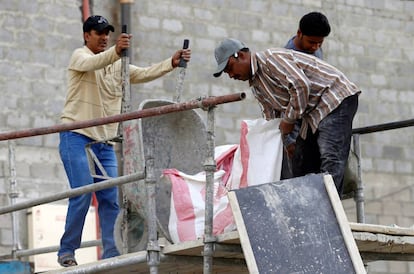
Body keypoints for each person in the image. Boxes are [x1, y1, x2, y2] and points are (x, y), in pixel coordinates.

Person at [57, 15, 191, 267]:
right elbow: (95, 62)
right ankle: (67, 251)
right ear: (86, 36)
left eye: (107, 33)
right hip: (75, 135)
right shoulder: (80, 56)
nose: (104, 37)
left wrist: (170, 63)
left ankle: (111, 254)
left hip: (104, 141)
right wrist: (117, 52)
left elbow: (143, 73)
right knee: (83, 192)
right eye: (98, 33)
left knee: (110, 198)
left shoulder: (117, 64)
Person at [213, 38, 360, 196]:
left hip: (334, 96)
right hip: (311, 113)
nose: (231, 75)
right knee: (301, 162)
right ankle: (311, 207)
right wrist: (287, 141)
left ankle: (329, 211)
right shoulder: (257, 87)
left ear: (240, 55)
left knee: (330, 157)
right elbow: (274, 119)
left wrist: (288, 120)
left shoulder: (271, 59)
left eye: (229, 68)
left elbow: (301, 85)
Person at [281, 11, 331, 179]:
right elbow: (285, 104)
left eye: (320, 43)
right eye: (311, 42)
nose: (315, 47)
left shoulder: (315, 49)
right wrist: (289, 141)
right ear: (299, 33)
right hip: (297, 127)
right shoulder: (287, 59)